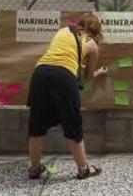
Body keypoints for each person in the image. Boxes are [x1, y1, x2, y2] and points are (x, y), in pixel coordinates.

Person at [27, 13, 107, 180]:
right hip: (64, 76)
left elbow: (60, 53)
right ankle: (83, 169)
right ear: (96, 30)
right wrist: (100, 72)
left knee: (37, 125)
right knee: (72, 125)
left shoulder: (63, 30)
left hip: (40, 72)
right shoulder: (92, 45)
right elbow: (88, 76)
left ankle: (34, 168)